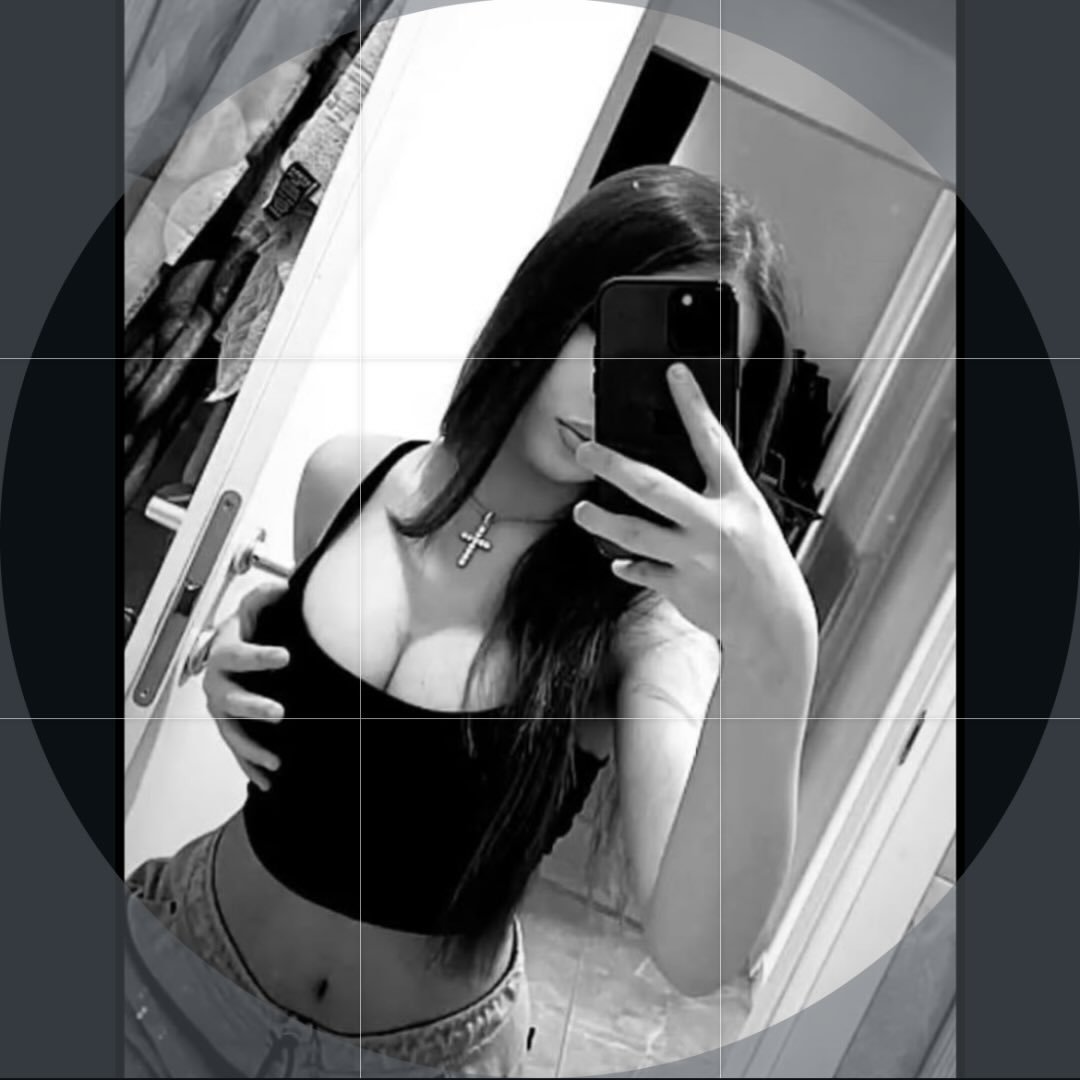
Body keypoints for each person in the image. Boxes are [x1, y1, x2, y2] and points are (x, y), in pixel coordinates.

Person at [125, 166, 818, 1078]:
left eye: (675, 372)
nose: (612, 386)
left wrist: (781, 649)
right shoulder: (346, 478)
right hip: (169, 974)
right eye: (609, 328)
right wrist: (247, 654)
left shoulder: (642, 626)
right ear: (551, 298)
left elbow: (699, 953)